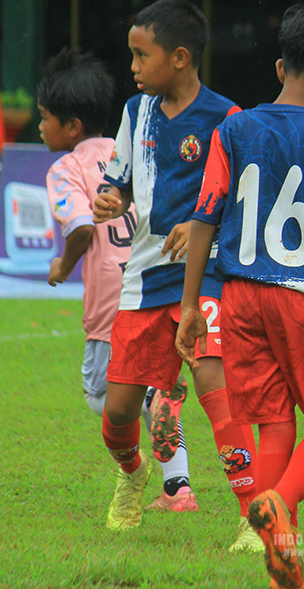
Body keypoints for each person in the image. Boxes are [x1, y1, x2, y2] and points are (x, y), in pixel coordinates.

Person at [176, 5, 304, 589]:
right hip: (300, 300)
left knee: (275, 425)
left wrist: (192, 305)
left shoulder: (233, 128)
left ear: (279, 66)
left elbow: (205, 217)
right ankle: (277, 505)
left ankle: (282, 570)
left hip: (238, 297)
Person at [92, 0, 259, 548]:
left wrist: (202, 222)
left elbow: (247, 198)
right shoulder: (135, 112)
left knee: (214, 385)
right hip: (143, 278)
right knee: (117, 413)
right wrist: (110, 198)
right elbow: (118, 177)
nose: (134, 67)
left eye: (142, 55)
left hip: (205, 276)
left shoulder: (227, 119)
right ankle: (133, 471)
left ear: (180, 58)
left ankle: (253, 514)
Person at [39, 47, 200, 515]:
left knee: (101, 395)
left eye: (44, 118)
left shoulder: (66, 168)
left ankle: (148, 429)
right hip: (159, 282)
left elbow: (81, 227)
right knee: (151, 383)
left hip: (114, 299)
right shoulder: (131, 147)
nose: (40, 127)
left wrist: (64, 265)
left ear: (70, 127)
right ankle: (178, 488)